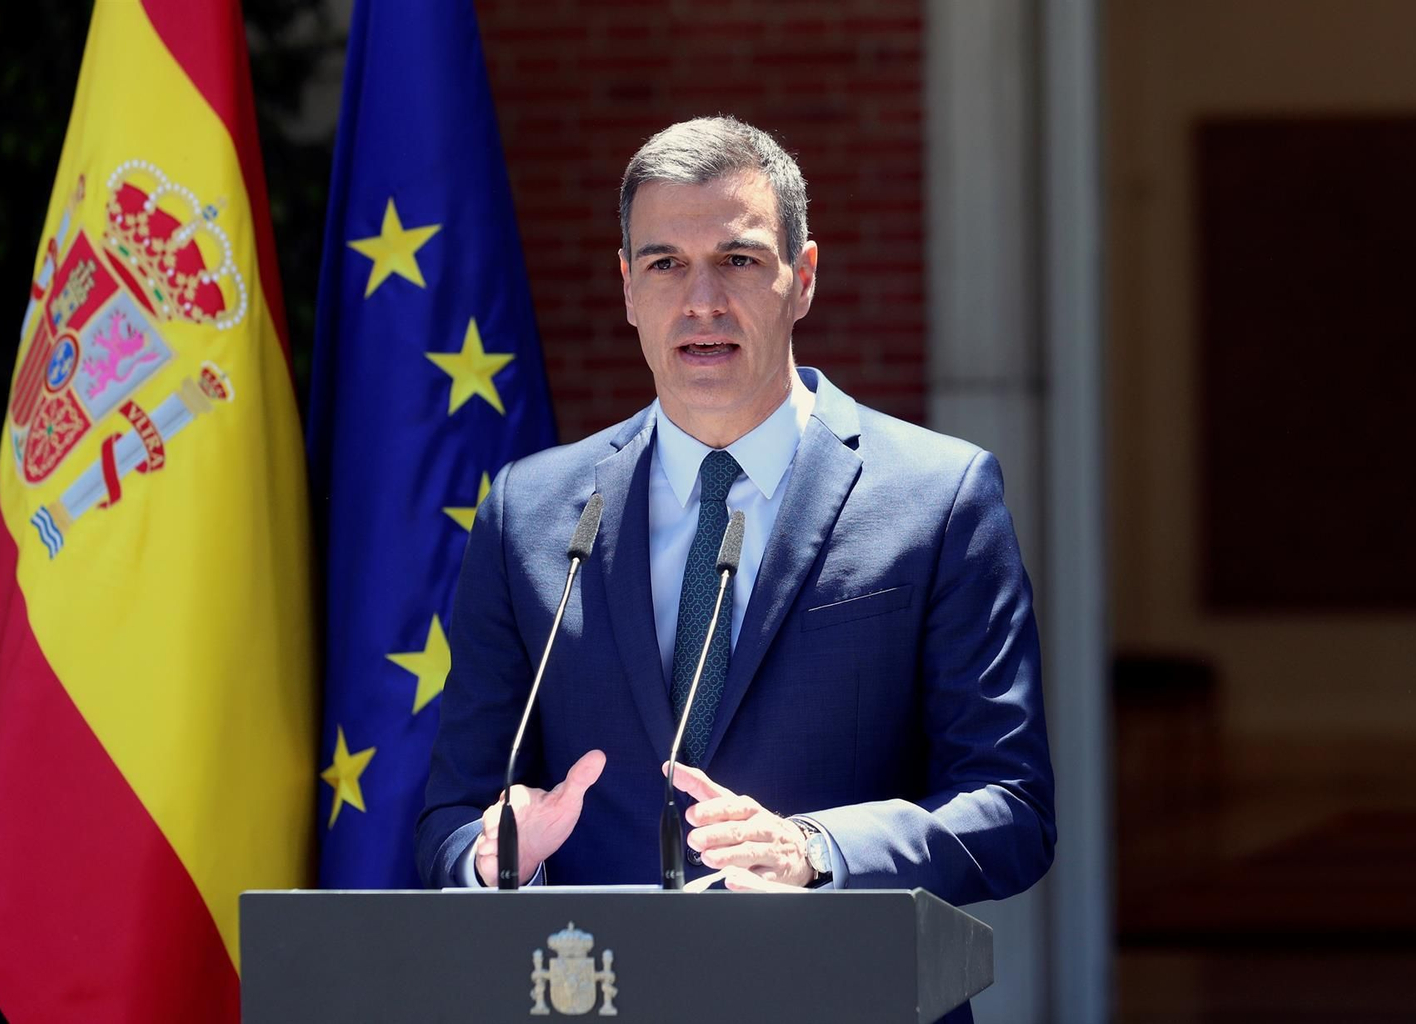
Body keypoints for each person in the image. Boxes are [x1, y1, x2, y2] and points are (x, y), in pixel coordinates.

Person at [416, 116, 1054, 905]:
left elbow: (1010, 805)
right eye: (666, 264)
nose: (702, 301)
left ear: (805, 277)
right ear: (626, 288)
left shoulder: (940, 497)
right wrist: (496, 856)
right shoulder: (529, 513)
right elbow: (451, 816)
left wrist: (817, 851)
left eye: (738, 260)